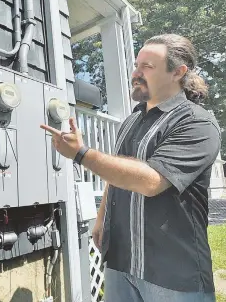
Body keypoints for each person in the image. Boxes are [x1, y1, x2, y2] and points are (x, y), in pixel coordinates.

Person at [41, 34, 220, 302]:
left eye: (148, 67)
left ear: (178, 72)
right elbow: (117, 174)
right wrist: (102, 218)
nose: (136, 73)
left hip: (174, 277)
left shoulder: (197, 123)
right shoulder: (131, 120)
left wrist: (81, 154)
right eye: (137, 65)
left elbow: (151, 181)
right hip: (121, 265)